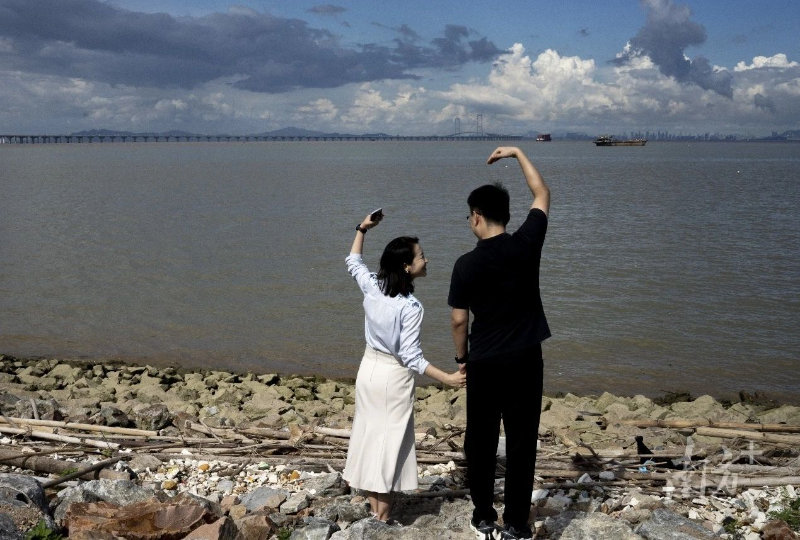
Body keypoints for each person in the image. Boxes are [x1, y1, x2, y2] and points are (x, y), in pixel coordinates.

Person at [448, 147, 551, 540]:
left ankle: (483, 516)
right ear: (506, 215)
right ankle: (517, 525)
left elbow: (459, 318)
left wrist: (462, 359)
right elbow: (541, 193)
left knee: (482, 439)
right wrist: (518, 153)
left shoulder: (465, 265)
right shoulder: (527, 243)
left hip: (486, 360)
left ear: (476, 216)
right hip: (527, 357)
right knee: (523, 441)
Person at [343, 211, 466, 522]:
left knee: (372, 438)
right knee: (388, 444)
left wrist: (362, 228)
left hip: (368, 370)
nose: (427, 260)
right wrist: (447, 379)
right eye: (421, 256)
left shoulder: (374, 286)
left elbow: (353, 262)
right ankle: (381, 519)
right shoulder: (410, 307)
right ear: (407, 267)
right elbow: (411, 357)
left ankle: (375, 511)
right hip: (392, 379)